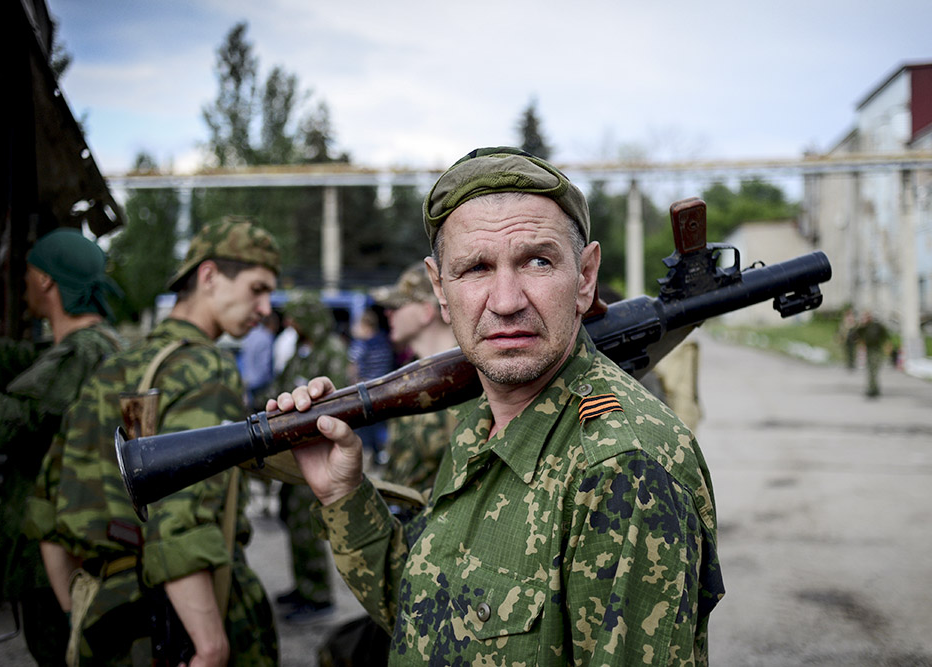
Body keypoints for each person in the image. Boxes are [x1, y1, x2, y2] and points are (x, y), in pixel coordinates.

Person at [270, 147, 725, 665]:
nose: (506, 301)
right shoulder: (480, 425)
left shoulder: (621, 467)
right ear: (441, 290)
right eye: (476, 268)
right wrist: (344, 494)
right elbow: (429, 620)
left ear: (585, 277)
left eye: (537, 261)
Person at [27, 218, 280, 666]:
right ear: (209, 276)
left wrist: (78, 611)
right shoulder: (207, 369)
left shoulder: (114, 368)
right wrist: (210, 645)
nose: (265, 308)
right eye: (257, 289)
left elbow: (46, 510)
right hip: (178, 621)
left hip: (105, 617)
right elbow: (179, 515)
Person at [0, 226, 123, 665]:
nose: (22, 285)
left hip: (57, 550)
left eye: (26, 275)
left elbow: (9, 423)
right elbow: (7, 357)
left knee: (64, 653)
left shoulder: (80, 354)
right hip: (71, 541)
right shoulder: (90, 346)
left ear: (45, 281)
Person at [264, 290, 349, 624]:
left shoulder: (331, 351)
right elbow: (282, 385)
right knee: (291, 517)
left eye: (296, 316)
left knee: (307, 525)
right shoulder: (302, 351)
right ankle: (303, 585)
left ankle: (318, 595)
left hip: (317, 450)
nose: (289, 322)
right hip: (293, 451)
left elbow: (336, 399)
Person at [375, 261, 459, 494]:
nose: (388, 313)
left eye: (397, 306)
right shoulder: (408, 375)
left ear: (426, 312)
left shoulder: (466, 378)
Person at [347, 308, 395, 465]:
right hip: (383, 392)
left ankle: (368, 458)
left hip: (365, 393)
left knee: (365, 428)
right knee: (380, 427)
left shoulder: (361, 345)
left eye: (358, 325)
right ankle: (381, 455)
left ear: (366, 327)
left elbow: (352, 367)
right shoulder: (384, 342)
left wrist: (352, 384)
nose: (354, 329)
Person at [853, 310, 891, 397]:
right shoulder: (863, 327)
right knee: (870, 370)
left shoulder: (877, 326)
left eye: (867, 316)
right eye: (865, 317)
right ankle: (873, 388)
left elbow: (885, 336)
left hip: (876, 350)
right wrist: (860, 325)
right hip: (868, 350)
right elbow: (855, 336)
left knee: (874, 370)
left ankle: (873, 389)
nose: (866, 318)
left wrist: (887, 346)